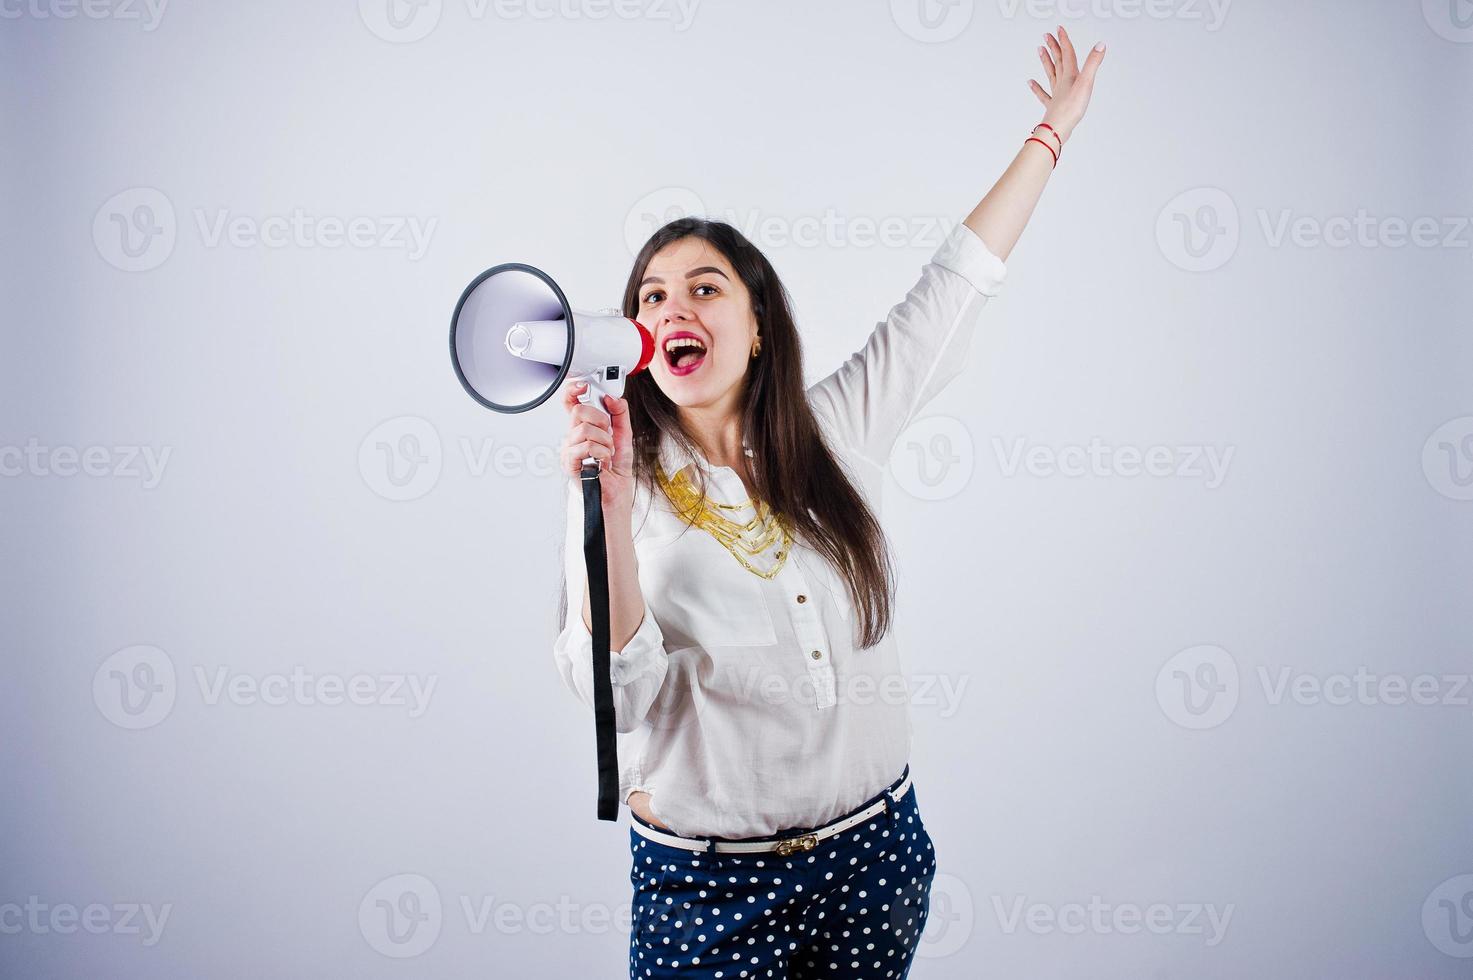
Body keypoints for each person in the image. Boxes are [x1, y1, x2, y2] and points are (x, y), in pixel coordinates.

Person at [551, 26, 1106, 979]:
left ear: (757, 326)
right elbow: (622, 697)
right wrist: (606, 513)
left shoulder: (841, 424)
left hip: (873, 861)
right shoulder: (615, 484)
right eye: (650, 297)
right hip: (710, 892)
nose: (671, 308)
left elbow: (954, 283)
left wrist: (1049, 132)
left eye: (703, 287)